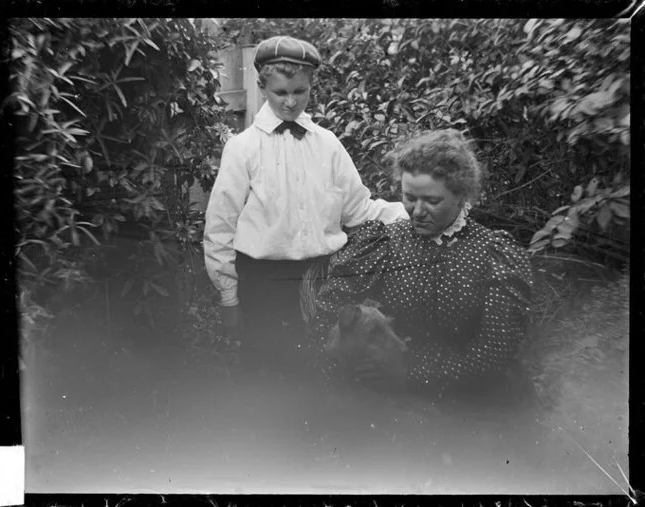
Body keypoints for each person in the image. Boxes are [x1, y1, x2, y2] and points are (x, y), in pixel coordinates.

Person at [203, 36, 409, 372]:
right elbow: (220, 227)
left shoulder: (327, 145)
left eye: (299, 92)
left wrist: (415, 213)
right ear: (262, 86)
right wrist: (229, 295)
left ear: (312, 86)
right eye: (280, 92)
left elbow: (360, 209)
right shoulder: (243, 149)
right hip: (262, 281)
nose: (289, 102)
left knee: (318, 365)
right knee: (265, 366)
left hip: (322, 280)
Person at [313, 128, 534, 401]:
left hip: (470, 403)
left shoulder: (492, 255)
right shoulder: (384, 242)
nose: (417, 211)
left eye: (432, 201)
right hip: (384, 397)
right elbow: (329, 311)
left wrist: (410, 374)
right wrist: (357, 364)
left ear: (460, 196)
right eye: (409, 198)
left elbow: (492, 354)